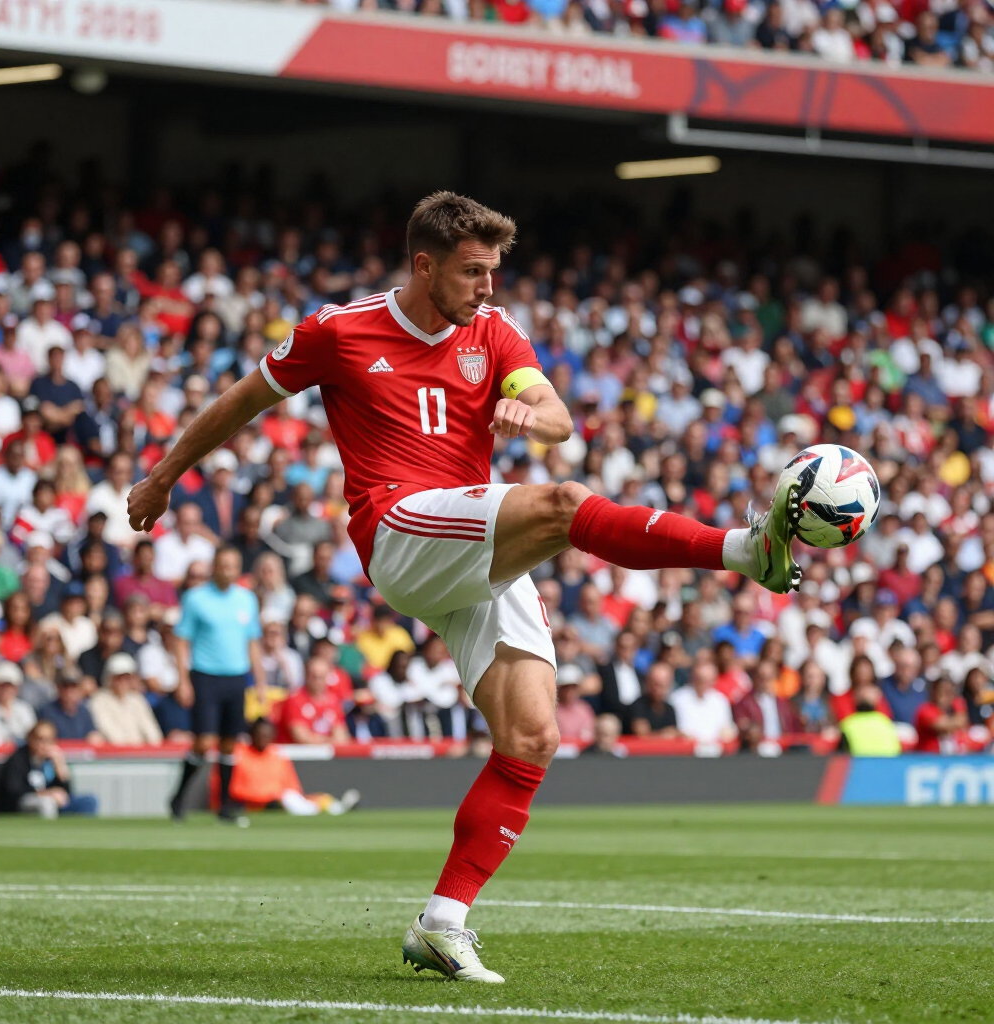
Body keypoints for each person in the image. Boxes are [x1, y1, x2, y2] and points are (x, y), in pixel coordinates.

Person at [126, 192, 800, 982]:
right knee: (561, 504)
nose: (487, 287)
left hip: (471, 542)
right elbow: (241, 401)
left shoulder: (493, 330)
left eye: (494, 271)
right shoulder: (338, 331)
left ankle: (442, 922)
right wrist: (164, 476)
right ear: (425, 264)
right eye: (473, 271)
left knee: (532, 738)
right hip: (400, 529)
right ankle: (746, 550)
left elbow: (556, 417)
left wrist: (530, 417)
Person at [167, 545, 264, 822]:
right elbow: (181, 640)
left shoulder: (247, 600)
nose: (226, 571)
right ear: (214, 567)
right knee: (203, 742)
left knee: (230, 744)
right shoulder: (196, 599)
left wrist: (259, 681)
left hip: (236, 677)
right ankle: (179, 797)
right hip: (206, 676)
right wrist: (183, 680)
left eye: (232, 565)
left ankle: (225, 807)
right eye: (222, 565)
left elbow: (253, 642)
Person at [229, 718, 360, 815]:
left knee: (297, 798)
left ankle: (331, 806)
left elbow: (292, 787)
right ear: (252, 735)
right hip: (253, 805)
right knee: (290, 801)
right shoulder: (239, 754)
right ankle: (333, 809)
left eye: (267, 736)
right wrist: (266, 798)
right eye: (260, 735)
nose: (264, 739)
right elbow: (233, 788)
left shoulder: (278, 755)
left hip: (280, 800)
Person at [0, 720, 98, 817]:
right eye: (40, 739)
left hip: (54, 802)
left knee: (89, 801)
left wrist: (60, 768)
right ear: (30, 739)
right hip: (24, 804)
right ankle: (49, 834)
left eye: (49, 740)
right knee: (46, 803)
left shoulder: (51, 760)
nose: (43, 745)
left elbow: (65, 793)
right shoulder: (19, 758)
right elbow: (14, 791)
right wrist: (45, 794)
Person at [89, 652, 164, 745]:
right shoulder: (99, 700)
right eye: (119, 677)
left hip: (141, 754)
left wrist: (150, 746)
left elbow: (152, 732)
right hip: (115, 755)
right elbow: (111, 734)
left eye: (126, 678)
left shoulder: (137, 699)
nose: (123, 682)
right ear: (109, 677)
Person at [275, 656, 352, 745]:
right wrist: (330, 740)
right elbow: (301, 737)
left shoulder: (333, 701)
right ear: (306, 676)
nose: (317, 681)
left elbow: (341, 736)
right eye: (314, 676)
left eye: (321, 677)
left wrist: (317, 738)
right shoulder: (294, 700)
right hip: (297, 756)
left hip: (325, 756)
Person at [0, 661, 37, 742]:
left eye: (10, 686)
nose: (6, 690)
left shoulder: (24, 708)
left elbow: (32, 732)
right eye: (2, 686)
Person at [39, 666, 103, 743]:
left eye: (73, 687)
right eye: (65, 687)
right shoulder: (46, 712)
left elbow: (92, 734)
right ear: (58, 688)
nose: (69, 692)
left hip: (80, 753)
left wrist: (94, 737)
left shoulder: (84, 711)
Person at [914, 675, 969, 754]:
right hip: (928, 759)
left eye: (949, 692)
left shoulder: (952, 710)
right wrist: (957, 717)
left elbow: (963, 723)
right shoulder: (926, 709)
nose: (945, 696)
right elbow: (942, 725)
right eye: (942, 691)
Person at [630, 663, 680, 738]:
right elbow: (642, 736)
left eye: (662, 685)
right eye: (655, 684)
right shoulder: (637, 707)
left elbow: (673, 733)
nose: (657, 690)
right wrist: (664, 735)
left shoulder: (669, 710)